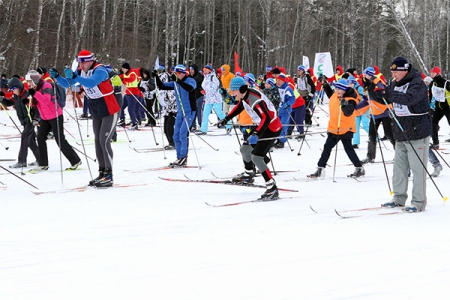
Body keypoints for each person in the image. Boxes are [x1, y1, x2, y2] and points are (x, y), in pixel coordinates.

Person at [50, 50, 120, 187]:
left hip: (110, 110)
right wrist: (58, 77)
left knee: (104, 141)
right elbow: (70, 85)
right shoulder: (80, 71)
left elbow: (90, 83)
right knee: (97, 142)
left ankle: (109, 175)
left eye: (83, 62)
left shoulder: (100, 70)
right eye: (79, 62)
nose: (81, 65)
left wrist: (76, 76)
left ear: (90, 61)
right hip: (96, 111)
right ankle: (102, 172)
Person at [217, 77, 282, 200]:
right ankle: (249, 174)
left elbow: (266, 118)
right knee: (245, 150)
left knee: (257, 157)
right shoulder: (245, 95)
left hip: (271, 128)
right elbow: (240, 106)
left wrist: (256, 134)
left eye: (233, 91)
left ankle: (272, 188)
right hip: (262, 126)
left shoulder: (254, 100)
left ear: (241, 89)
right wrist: (226, 118)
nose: (232, 93)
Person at [382, 56, 432, 212]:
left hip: (418, 132)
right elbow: (387, 96)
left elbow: (409, 99)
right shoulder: (394, 84)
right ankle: (398, 198)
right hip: (401, 132)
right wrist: (377, 92)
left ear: (405, 70)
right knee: (399, 168)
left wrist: (388, 94)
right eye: (392, 71)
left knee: (418, 169)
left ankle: (418, 201)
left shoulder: (417, 83)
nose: (393, 75)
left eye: (396, 72)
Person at [308, 78, 364, 178]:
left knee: (348, 149)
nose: (337, 90)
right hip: (334, 128)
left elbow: (348, 112)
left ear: (345, 89)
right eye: (336, 88)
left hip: (346, 128)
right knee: (327, 148)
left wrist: (344, 104)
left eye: (340, 89)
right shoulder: (335, 95)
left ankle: (359, 168)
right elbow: (329, 92)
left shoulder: (350, 99)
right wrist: (325, 84)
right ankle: (320, 168)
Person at [26, 70, 81, 172]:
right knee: (40, 137)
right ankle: (43, 163)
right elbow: (38, 103)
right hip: (45, 118)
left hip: (55, 115)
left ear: (34, 80)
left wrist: (35, 93)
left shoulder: (46, 86)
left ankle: (75, 160)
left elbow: (46, 101)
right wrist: (28, 101)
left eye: (29, 81)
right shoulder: (36, 88)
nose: (28, 84)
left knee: (60, 139)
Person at [154, 64, 196, 166]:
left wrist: (178, 81)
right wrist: (156, 77)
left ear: (183, 73)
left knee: (183, 134)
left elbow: (190, 89)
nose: (177, 75)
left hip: (190, 111)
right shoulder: (175, 83)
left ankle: (183, 157)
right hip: (180, 112)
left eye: (178, 73)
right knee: (175, 135)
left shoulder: (190, 80)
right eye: (175, 73)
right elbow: (162, 86)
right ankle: (179, 157)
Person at [358, 66, 395, 164]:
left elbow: (384, 92)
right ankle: (370, 156)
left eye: (365, 74)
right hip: (374, 113)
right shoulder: (367, 84)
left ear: (369, 74)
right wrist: (356, 107)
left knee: (389, 134)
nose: (363, 76)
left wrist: (379, 92)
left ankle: (399, 154)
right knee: (371, 135)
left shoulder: (377, 81)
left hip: (384, 111)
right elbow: (367, 100)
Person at [0, 77, 40, 168]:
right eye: (11, 89)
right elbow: (10, 102)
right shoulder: (16, 96)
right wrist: (2, 99)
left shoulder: (27, 95)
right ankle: (40, 158)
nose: (12, 91)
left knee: (25, 138)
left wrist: (36, 119)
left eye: (13, 89)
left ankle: (22, 161)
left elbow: (37, 107)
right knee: (30, 141)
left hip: (31, 120)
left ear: (18, 87)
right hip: (24, 121)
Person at [199, 64, 231, 135]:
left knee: (220, 114)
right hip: (208, 99)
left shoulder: (213, 77)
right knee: (205, 114)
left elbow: (214, 87)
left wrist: (207, 91)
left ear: (210, 70)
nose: (205, 71)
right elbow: (204, 86)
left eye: (206, 70)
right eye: (204, 70)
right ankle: (203, 130)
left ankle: (229, 125)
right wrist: (204, 91)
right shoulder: (205, 78)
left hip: (216, 99)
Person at [155, 66, 177, 150]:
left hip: (173, 110)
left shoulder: (168, 85)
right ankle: (171, 142)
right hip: (166, 109)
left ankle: (173, 143)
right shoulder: (160, 87)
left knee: (169, 127)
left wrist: (172, 109)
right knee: (166, 129)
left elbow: (173, 97)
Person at [428, 66, 450, 149]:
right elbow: (430, 95)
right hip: (438, 107)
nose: (431, 74)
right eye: (431, 72)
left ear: (437, 73)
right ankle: (435, 143)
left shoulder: (446, 82)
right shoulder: (432, 83)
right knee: (433, 123)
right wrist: (429, 105)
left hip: (447, 107)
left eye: (433, 72)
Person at [274, 73, 295, 148]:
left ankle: (282, 141)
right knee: (277, 125)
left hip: (286, 110)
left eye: (280, 80)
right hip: (278, 110)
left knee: (283, 125)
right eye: (277, 80)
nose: (278, 82)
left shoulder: (287, 88)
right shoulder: (276, 88)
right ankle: (278, 139)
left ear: (283, 81)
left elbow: (292, 98)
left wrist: (287, 104)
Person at [348, 75, 369, 148]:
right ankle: (355, 143)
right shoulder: (350, 90)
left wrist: (359, 104)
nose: (349, 85)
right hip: (356, 110)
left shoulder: (359, 88)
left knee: (365, 125)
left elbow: (365, 98)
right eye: (348, 83)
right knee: (355, 126)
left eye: (351, 83)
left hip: (364, 108)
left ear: (354, 83)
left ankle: (374, 138)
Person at [118, 62, 141, 130]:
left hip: (133, 94)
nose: (123, 70)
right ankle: (122, 120)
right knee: (121, 107)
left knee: (130, 109)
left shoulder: (132, 73)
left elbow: (131, 79)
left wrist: (123, 80)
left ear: (127, 68)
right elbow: (119, 77)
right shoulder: (124, 74)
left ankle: (134, 123)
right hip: (127, 94)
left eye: (124, 68)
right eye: (122, 68)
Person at [189, 64, 204, 130]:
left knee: (199, 111)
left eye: (192, 69)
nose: (191, 71)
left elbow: (194, 81)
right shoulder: (189, 76)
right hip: (192, 96)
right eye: (190, 70)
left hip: (199, 96)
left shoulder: (199, 76)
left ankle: (201, 125)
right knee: (193, 111)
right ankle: (193, 125)